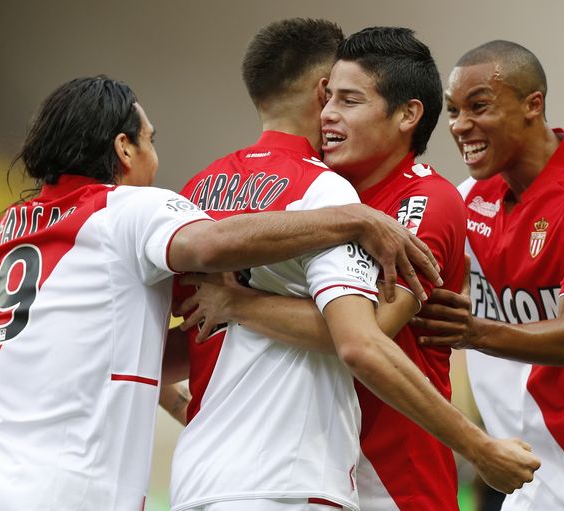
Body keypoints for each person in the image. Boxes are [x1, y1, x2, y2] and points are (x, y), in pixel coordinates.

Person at [0, 75, 442, 511]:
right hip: (62, 489)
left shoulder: (2, 233)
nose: (156, 156)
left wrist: (191, 395)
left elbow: (96, 350)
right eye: (151, 141)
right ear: (124, 149)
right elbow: (213, 245)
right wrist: (353, 217)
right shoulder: (129, 209)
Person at [169, 22, 539, 511]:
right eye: (327, 100)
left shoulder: (427, 199)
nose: (327, 116)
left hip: (395, 481)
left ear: (408, 115)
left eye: (349, 101)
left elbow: (369, 333)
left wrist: (239, 304)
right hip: (313, 466)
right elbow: (192, 330)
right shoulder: (316, 194)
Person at [414, 40, 564, 510]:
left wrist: (472, 331)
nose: (461, 126)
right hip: (527, 478)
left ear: (533, 105)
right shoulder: (467, 198)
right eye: (454, 111)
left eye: (478, 106)